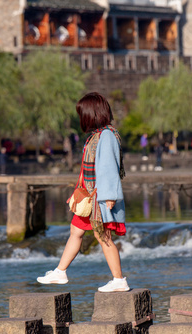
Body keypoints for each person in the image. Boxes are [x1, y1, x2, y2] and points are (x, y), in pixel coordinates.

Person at [37, 92, 129, 293]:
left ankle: (119, 279)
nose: (81, 118)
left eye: (82, 114)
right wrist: (78, 192)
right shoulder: (98, 135)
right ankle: (60, 272)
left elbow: (108, 168)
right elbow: (90, 170)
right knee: (76, 231)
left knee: (103, 236)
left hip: (101, 198)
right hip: (90, 197)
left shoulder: (106, 136)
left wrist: (109, 197)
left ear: (91, 114)